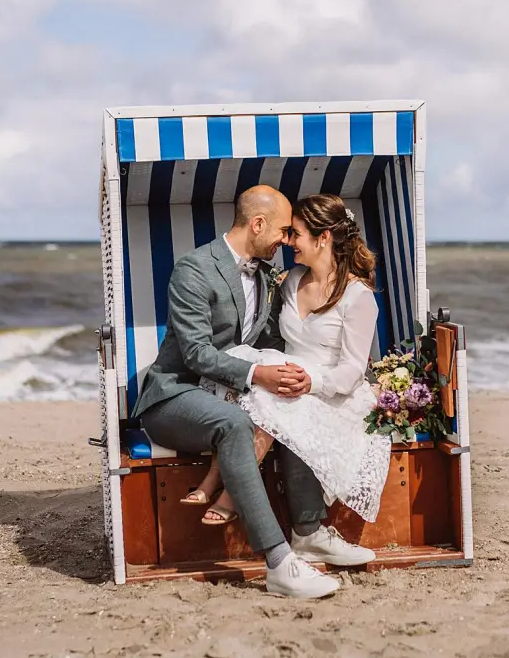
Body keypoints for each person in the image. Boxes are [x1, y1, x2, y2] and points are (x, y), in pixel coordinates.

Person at [133, 185, 373, 599]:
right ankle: (279, 563)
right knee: (235, 422)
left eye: (292, 234)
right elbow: (195, 353)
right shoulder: (194, 268)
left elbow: (271, 340)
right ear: (257, 224)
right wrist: (261, 376)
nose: (285, 240)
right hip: (176, 395)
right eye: (282, 231)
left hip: (232, 390)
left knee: (292, 404)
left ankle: (308, 530)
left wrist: (297, 379)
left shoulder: (266, 276)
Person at [187, 194, 390, 528]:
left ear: (322, 237)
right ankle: (217, 479)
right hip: (289, 375)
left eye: (295, 234)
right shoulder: (292, 280)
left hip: (333, 392)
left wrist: (312, 382)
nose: (287, 241)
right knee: (251, 376)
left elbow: (353, 371)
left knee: (277, 395)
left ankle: (230, 492)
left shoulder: (358, 297)